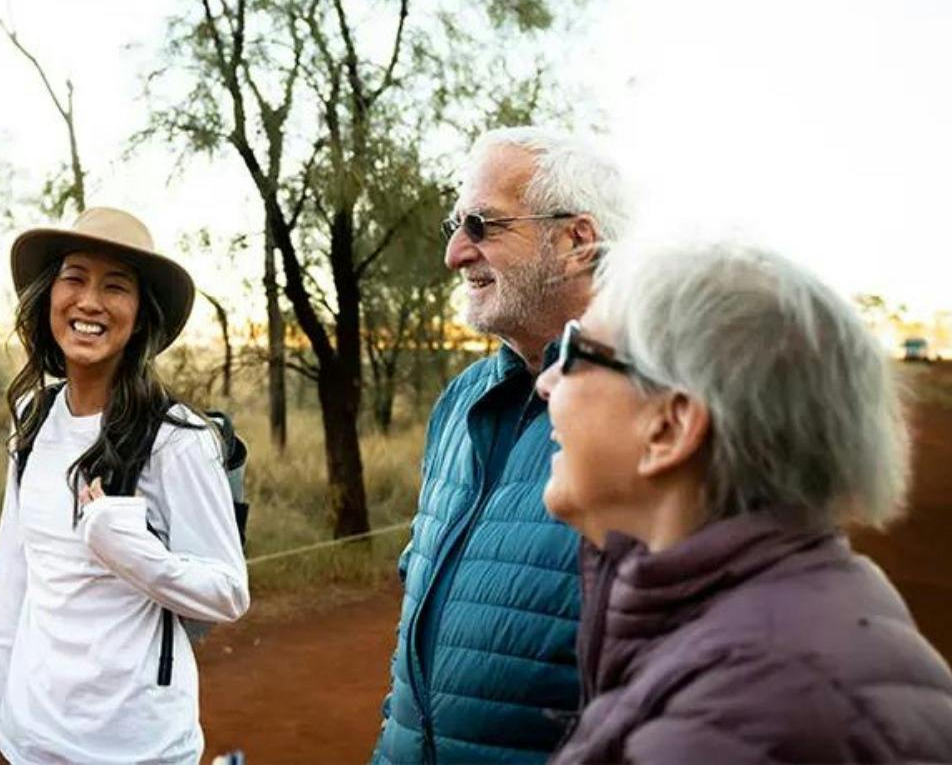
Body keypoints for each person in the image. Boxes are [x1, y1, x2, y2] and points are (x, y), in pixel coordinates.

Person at [539, 239, 952, 763]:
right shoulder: (782, 627)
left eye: (576, 352)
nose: (547, 382)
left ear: (669, 428)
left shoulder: (744, 712)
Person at [372, 127, 630, 764]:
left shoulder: (654, 414)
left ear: (576, 241)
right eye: (456, 225)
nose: (456, 253)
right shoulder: (460, 400)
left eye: (483, 225)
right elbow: (417, 627)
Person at [0, 206, 249, 765]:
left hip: (138, 746)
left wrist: (125, 545)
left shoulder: (179, 437)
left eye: (115, 286)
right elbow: (14, 576)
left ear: (140, 316)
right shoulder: (31, 418)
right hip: (30, 737)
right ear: (48, 296)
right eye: (73, 278)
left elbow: (227, 592)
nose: (90, 302)